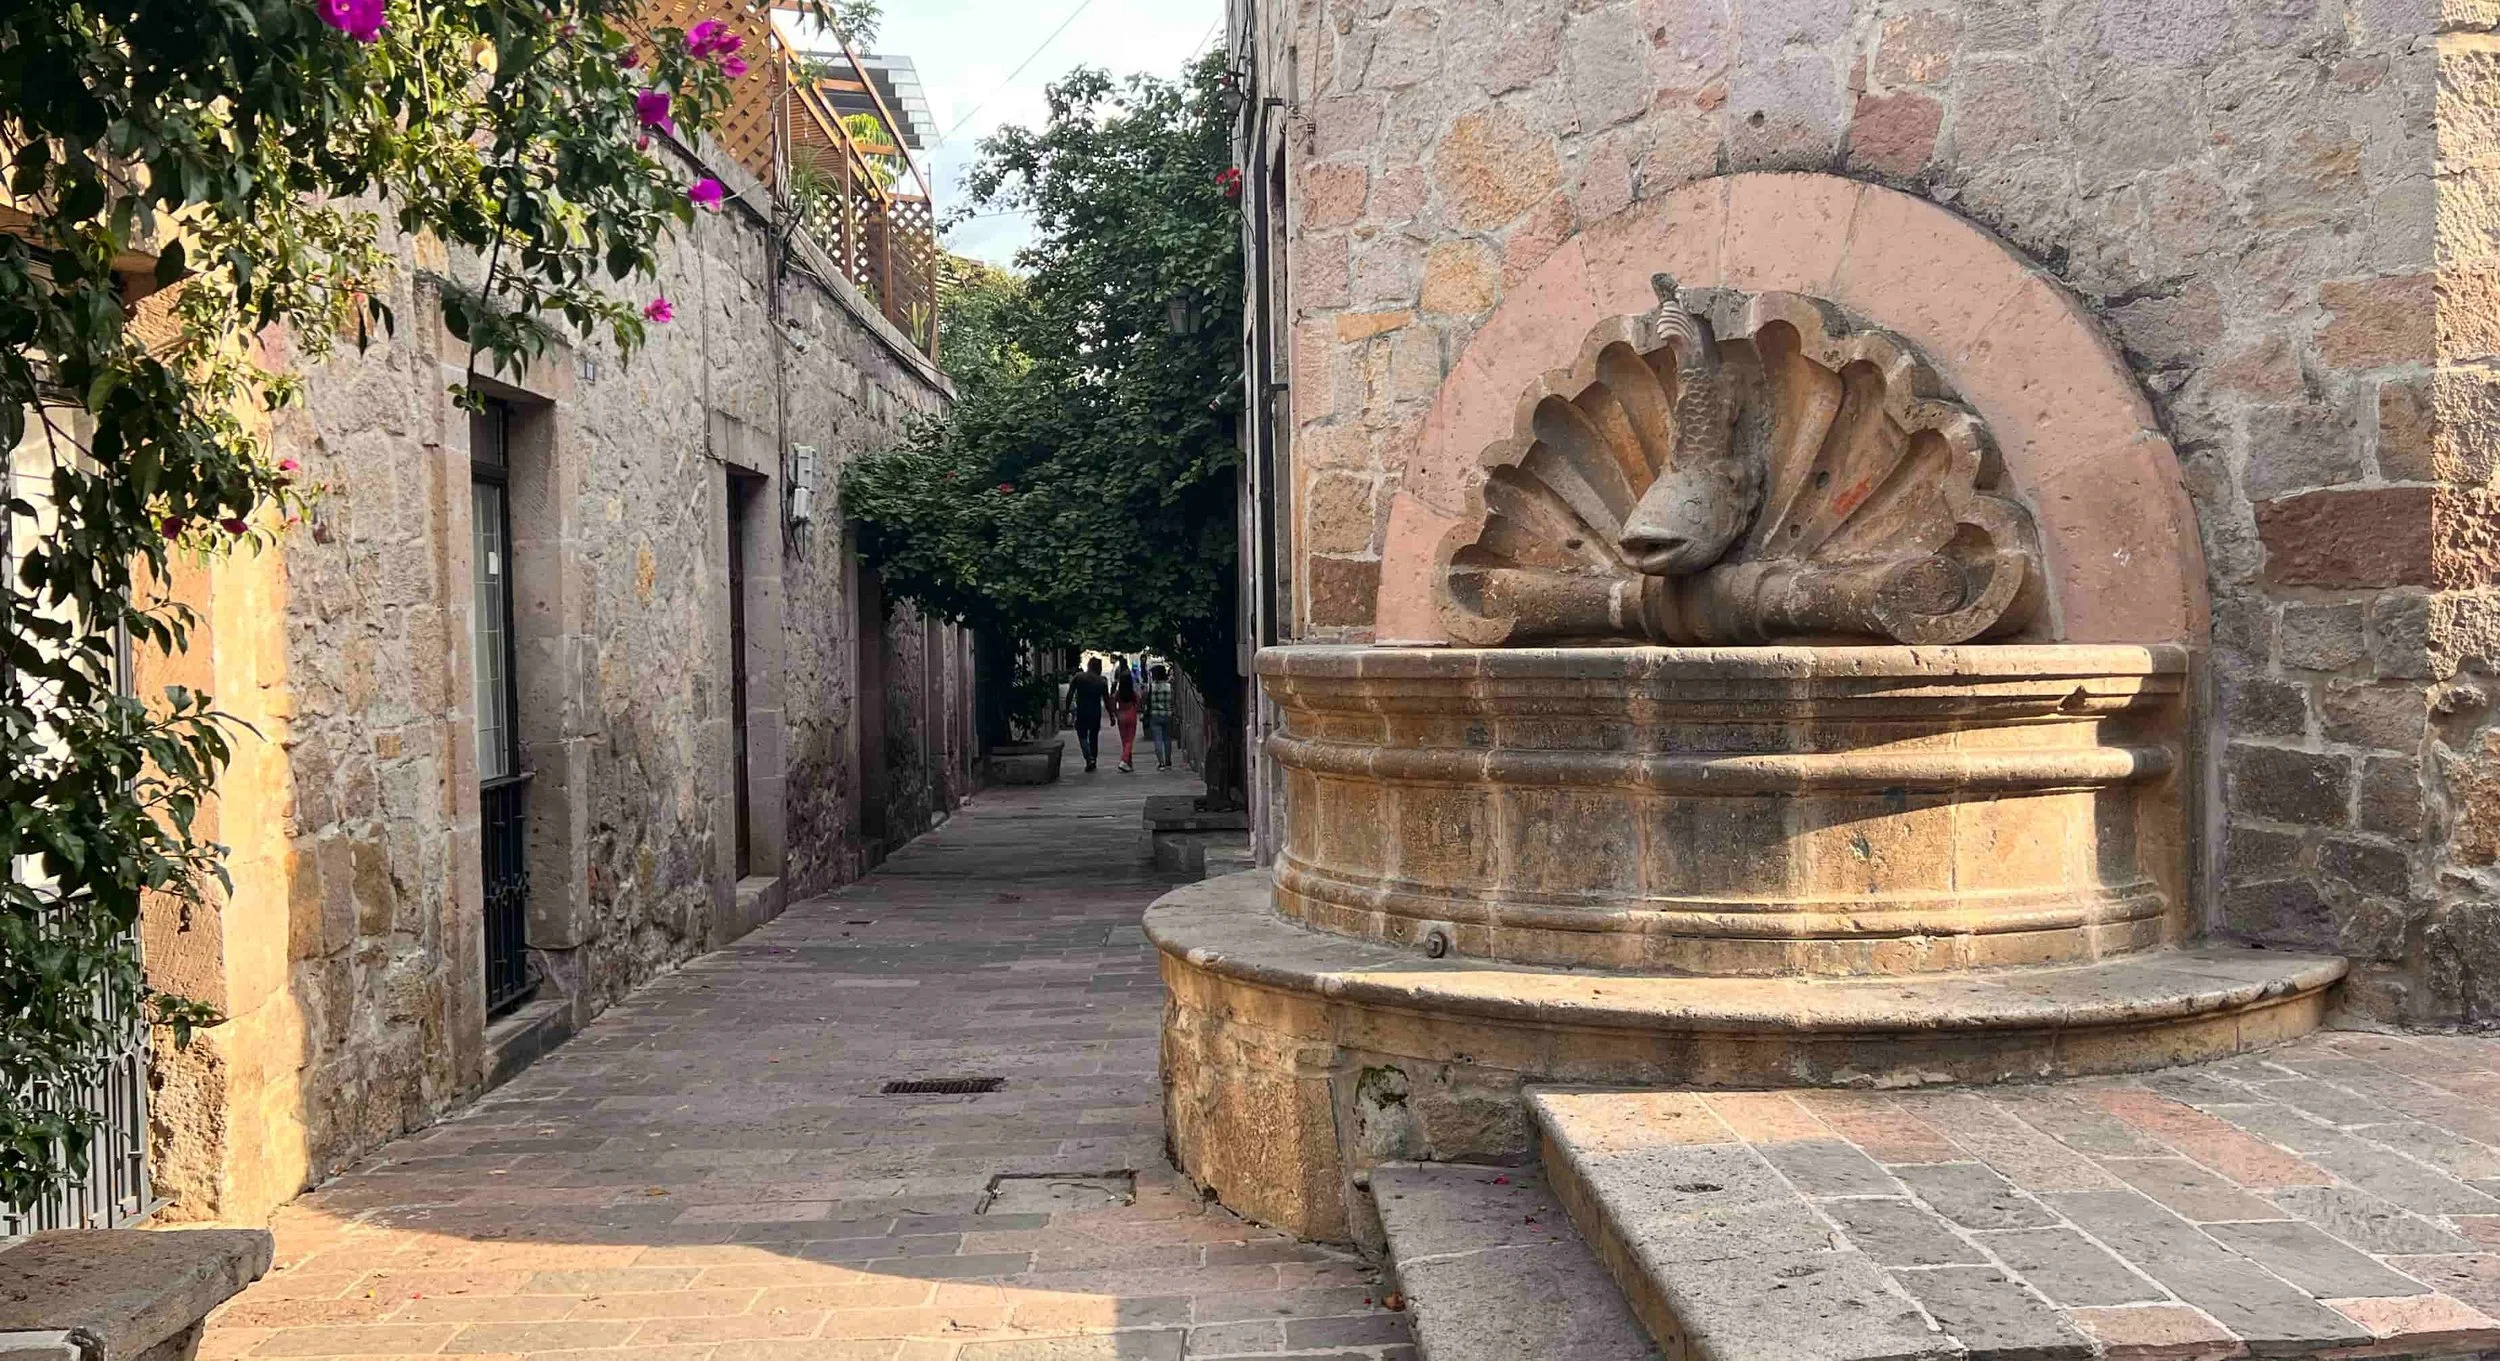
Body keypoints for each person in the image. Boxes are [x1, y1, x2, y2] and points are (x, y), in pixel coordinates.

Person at [1066, 658, 1109, 772]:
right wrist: (1112, 715)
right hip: (1095, 712)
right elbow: (1107, 700)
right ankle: (1093, 759)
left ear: (1089, 665)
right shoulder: (1101, 681)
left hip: (1082, 711)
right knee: (1094, 737)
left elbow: (1070, 694)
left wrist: (1066, 709)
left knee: (1082, 735)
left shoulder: (1079, 677)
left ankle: (1088, 757)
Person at [1109, 661, 1142, 773]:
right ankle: (1124, 761)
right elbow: (1138, 702)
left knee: (1124, 741)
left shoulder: (1119, 693)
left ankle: (1128, 763)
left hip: (1121, 715)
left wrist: (1115, 712)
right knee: (1130, 740)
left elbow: (1113, 702)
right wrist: (1136, 709)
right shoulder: (1132, 693)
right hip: (1131, 715)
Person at [1145, 664, 1176, 770]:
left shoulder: (1151, 687)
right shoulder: (1169, 687)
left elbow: (1147, 702)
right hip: (1167, 715)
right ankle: (1168, 761)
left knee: (1157, 739)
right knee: (1167, 739)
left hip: (1155, 715)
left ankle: (1161, 763)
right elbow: (1173, 701)